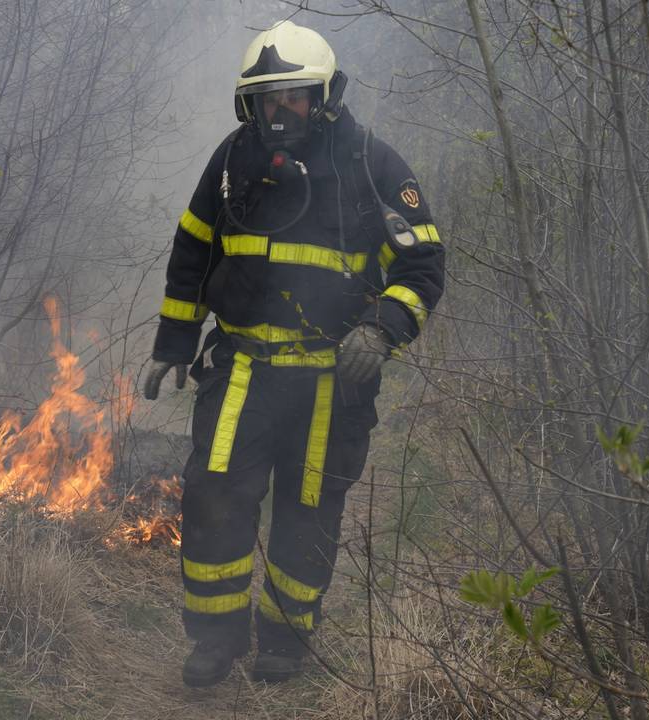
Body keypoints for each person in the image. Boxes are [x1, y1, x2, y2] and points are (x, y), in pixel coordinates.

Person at [141, 20, 445, 687]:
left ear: (324, 96)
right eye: (269, 98)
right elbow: (193, 248)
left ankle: (283, 640)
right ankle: (215, 640)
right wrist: (173, 341)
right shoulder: (231, 162)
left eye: (295, 96)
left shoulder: (373, 164)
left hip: (331, 378)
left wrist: (380, 329)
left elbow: (423, 264)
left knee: (307, 512)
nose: (282, 110)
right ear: (251, 103)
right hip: (242, 369)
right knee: (214, 495)